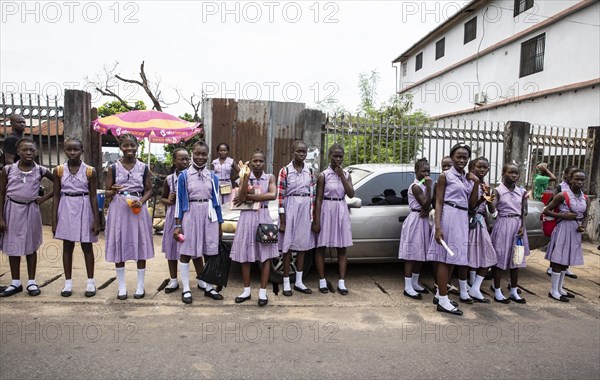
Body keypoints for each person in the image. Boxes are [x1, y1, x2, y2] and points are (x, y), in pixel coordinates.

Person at [427, 143, 479, 316]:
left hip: (462, 218)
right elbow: (439, 202)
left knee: (453, 259)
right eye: (458, 156)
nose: (462, 160)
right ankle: (442, 300)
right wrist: (438, 227)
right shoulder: (445, 176)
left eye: (465, 157)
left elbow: (472, 205)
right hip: (448, 216)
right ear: (452, 157)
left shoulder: (467, 178)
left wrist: (476, 183)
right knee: (444, 259)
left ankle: (440, 295)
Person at [0, 139, 54, 297]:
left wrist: (44, 199)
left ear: (36, 152)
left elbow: (60, 183)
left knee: (31, 246)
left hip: (31, 209)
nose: (28, 153)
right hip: (12, 209)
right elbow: (1, 193)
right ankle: (15, 282)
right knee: (13, 246)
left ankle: (32, 282)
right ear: (18, 152)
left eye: (32, 150)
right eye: (25, 150)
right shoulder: (8, 170)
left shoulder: (41, 170)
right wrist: (1, 218)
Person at [104, 134, 154, 300]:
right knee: (120, 244)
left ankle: (140, 286)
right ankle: (122, 286)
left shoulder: (144, 167)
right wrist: (113, 190)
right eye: (125, 146)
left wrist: (142, 200)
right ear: (120, 147)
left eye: (132, 145)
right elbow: (107, 192)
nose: (129, 149)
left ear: (137, 147)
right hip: (119, 208)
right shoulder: (113, 167)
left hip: (137, 209)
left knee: (139, 244)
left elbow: (149, 189)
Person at [174, 141, 224, 304]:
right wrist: (178, 225)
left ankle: (209, 287)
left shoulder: (213, 176)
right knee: (186, 251)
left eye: (203, 154)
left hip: (209, 216)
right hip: (190, 214)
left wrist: (219, 224)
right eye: (197, 153)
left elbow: (217, 202)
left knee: (210, 252)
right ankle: (187, 289)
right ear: (192, 154)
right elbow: (179, 202)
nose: (200, 157)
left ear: (208, 155)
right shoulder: (184, 176)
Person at [52, 138, 99, 297]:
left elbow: (93, 196)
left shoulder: (90, 171)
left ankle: (90, 282)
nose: (72, 153)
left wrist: (96, 220)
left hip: (84, 206)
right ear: (64, 150)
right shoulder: (58, 170)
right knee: (67, 246)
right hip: (66, 206)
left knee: (87, 246)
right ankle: (68, 283)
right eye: (69, 149)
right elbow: (56, 196)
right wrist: (54, 220)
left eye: (76, 150)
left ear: (82, 151)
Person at [230, 150, 278, 306]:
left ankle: (263, 292)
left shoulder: (270, 177)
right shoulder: (244, 177)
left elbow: (272, 195)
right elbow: (241, 195)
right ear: (250, 162)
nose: (258, 164)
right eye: (255, 161)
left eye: (261, 161)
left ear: (265, 163)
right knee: (245, 255)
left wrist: (249, 198)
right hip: (247, 218)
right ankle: (246, 290)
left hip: (264, 218)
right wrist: (244, 176)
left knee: (265, 257)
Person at [161, 147, 209, 294]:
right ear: (174, 161)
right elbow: (162, 197)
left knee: (192, 248)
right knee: (172, 249)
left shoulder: (192, 176)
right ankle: (174, 280)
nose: (185, 161)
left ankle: (201, 278)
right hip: (173, 216)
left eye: (187, 158)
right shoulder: (169, 179)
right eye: (181, 159)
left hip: (189, 214)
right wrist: (168, 200)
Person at [313, 144, 355, 296]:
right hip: (326, 209)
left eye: (340, 156)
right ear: (329, 155)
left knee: (342, 248)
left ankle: (342, 282)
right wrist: (316, 220)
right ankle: (322, 281)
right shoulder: (323, 175)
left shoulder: (346, 174)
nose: (338, 159)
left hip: (341, 209)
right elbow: (318, 199)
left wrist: (341, 175)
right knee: (321, 247)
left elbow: (350, 194)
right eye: (335, 156)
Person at [278, 140, 317, 296]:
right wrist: (282, 220)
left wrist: (312, 216)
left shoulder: (310, 171)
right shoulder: (285, 171)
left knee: (302, 246)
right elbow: (280, 196)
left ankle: (299, 282)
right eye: (298, 151)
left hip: (305, 208)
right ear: (292, 151)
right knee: (287, 247)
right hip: (290, 207)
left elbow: (313, 195)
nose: (301, 154)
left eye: (304, 152)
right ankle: (286, 281)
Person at [543, 169, 589, 301]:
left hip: (575, 231)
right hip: (563, 228)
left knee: (566, 260)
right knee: (558, 259)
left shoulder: (584, 198)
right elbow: (546, 211)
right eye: (576, 179)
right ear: (570, 180)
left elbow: (585, 215)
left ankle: (560, 288)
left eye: (582, 180)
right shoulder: (562, 195)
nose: (579, 182)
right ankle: (553, 291)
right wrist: (563, 215)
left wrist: (583, 226)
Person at [490, 163, 529, 304]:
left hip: (517, 227)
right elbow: (492, 210)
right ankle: (497, 290)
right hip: (503, 225)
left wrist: (523, 226)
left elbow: (523, 212)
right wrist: (489, 202)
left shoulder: (522, 192)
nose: (514, 175)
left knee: (516, 259)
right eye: (510, 172)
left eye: (516, 173)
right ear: (503, 173)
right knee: (500, 259)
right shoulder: (498, 191)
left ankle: (513, 290)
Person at [463, 157, 497, 303]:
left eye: (485, 167)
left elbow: (491, 210)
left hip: (481, 222)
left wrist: (489, 198)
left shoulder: (486, 185)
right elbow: (470, 207)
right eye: (479, 167)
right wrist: (483, 199)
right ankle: (465, 289)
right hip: (469, 222)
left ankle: (475, 287)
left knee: (489, 255)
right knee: (467, 256)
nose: (482, 170)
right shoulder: (468, 183)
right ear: (472, 167)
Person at [398, 158, 432, 300]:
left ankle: (415, 282)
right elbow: (425, 203)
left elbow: (430, 203)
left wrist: (428, 207)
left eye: (428, 171)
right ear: (416, 171)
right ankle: (408, 286)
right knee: (412, 254)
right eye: (423, 171)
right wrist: (430, 188)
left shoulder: (424, 186)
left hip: (423, 220)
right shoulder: (416, 186)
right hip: (415, 221)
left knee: (421, 253)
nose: (426, 174)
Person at [546, 165, 579, 278]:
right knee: (558, 244)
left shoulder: (578, 190)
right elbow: (554, 204)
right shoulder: (561, 188)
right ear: (566, 175)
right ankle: (552, 266)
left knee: (568, 246)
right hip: (560, 219)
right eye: (571, 175)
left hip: (573, 223)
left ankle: (565, 267)